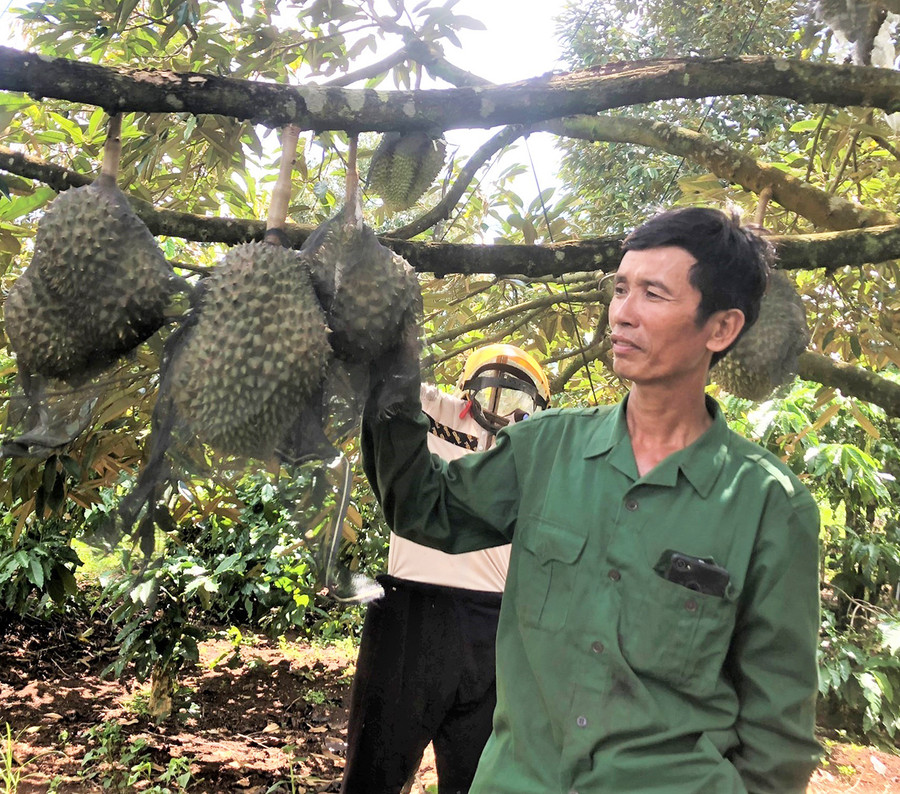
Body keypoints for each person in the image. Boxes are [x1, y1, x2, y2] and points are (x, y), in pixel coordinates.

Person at [360, 207, 822, 794]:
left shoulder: (769, 507)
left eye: (653, 293)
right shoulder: (545, 448)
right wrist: (389, 368)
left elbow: (777, 733)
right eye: (621, 288)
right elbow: (422, 509)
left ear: (721, 328)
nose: (623, 313)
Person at [341, 345, 551, 794]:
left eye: (515, 399)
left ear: (535, 407)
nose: (498, 406)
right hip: (410, 609)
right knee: (374, 768)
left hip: (494, 623)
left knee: (479, 778)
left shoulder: (541, 451)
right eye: (490, 389)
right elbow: (392, 384)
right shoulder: (434, 410)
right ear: (468, 390)